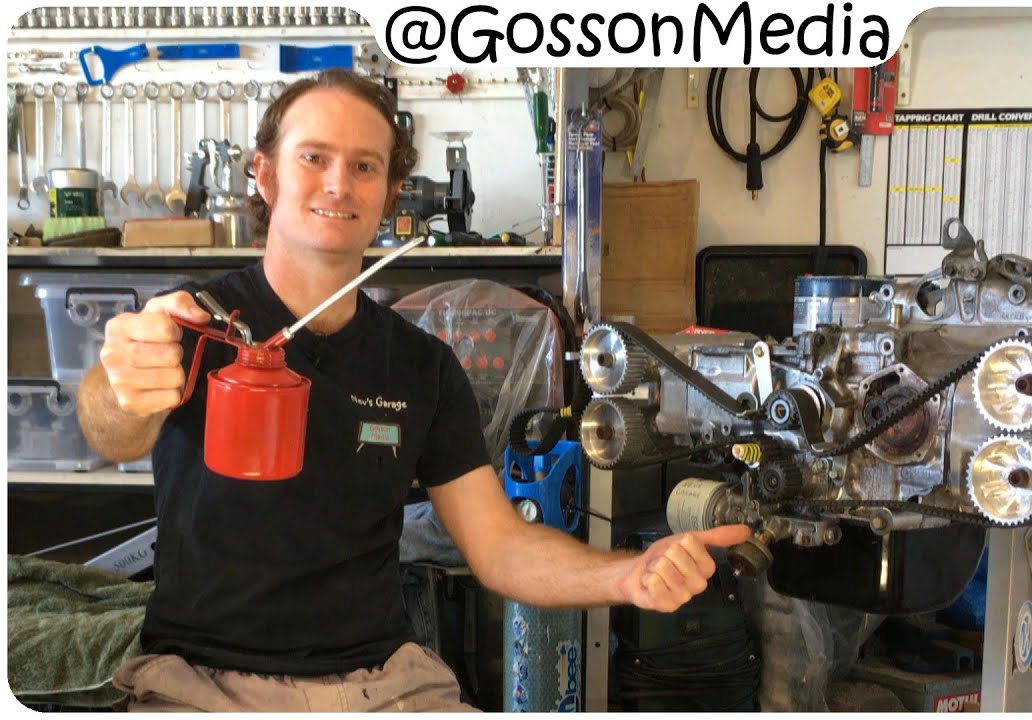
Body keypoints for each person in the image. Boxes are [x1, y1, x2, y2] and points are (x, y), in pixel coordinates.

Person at [77, 68, 750, 712]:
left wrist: (626, 576)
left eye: (364, 166)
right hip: (204, 684)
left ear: (389, 192)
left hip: (381, 684)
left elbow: (499, 547)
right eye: (313, 157)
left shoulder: (421, 366)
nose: (338, 183)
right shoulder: (192, 323)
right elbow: (111, 434)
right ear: (266, 174)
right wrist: (122, 385)